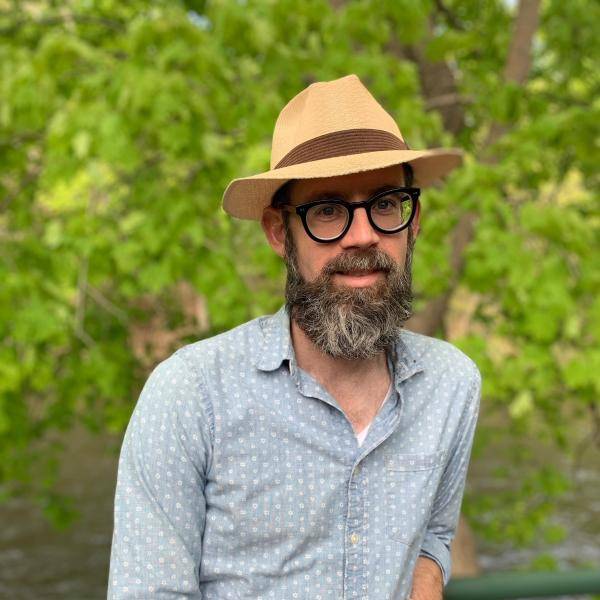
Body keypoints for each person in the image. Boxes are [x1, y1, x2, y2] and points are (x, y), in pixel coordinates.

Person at [108, 74, 481, 600]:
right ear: (280, 233)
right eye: (327, 209)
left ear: (412, 220)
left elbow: (434, 538)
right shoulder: (191, 394)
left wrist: (425, 577)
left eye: (385, 204)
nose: (363, 235)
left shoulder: (451, 385)